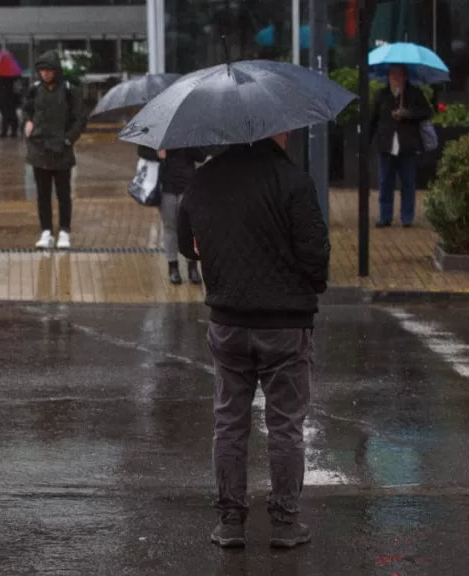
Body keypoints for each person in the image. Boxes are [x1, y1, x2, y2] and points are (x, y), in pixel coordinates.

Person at [177, 132, 330, 550]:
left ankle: (230, 521)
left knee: (229, 420)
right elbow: (316, 257)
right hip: (285, 324)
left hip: (227, 322)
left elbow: (186, 247)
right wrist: (307, 286)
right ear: (276, 130)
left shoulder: (203, 181)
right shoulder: (294, 181)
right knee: (284, 424)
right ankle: (283, 522)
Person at [22, 51, 85, 249]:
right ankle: (46, 231)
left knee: (63, 193)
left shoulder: (69, 90)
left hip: (61, 150)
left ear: (56, 70)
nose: (45, 74)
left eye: (49, 70)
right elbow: (26, 110)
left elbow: (79, 119)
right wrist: (28, 122)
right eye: (42, 70)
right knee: (42, 194)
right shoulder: (34, 90)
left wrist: (68, 140)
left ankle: (64, 231)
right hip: (39, 149)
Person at [369, 64, 433, 227]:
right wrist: (366, 141)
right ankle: (385, 216)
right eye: (392, 75)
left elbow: (426, 113)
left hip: (407, 146)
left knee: (408, 182)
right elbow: (373, 120)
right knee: (385, 182)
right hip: (386, 145)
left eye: (399, 75)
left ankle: (407, 217)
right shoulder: (382, 95)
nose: (395, 79)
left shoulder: (414, 94)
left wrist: (408, 114)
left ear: (405, 77)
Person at [137, 145, 206, 284]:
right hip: (166, 186)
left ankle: (192, 266)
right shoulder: (159, 132)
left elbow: (201, 155)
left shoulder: (189, 131)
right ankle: (172, 266)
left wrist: (188, 145)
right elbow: (142, 151)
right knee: (169, 227)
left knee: (190, 228)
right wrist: (158, 154)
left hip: (187, 184)